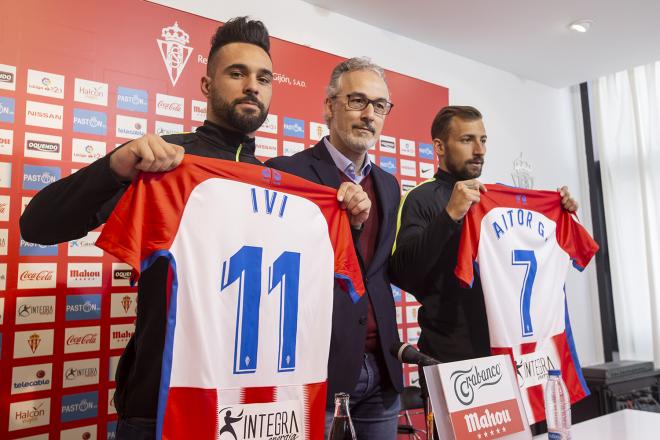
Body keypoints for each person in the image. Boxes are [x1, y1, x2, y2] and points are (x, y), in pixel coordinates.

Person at [20, 17, 369, 439]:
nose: (252, 87)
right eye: (236, 73)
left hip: (260, 410)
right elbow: (37, 224)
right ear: (206, 86)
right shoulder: (164, 163)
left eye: (263, 78)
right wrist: (115, 167)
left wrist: (347, 216)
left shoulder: (291, 192)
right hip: (161, 407)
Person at [388, 105, 579, 432]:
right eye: (467, 139)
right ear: (439, 147)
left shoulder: (493, 200)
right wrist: (449, 215)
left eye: (483, 140)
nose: (480, 150)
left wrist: (559, 213)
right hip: (450, 360)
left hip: (505, 355)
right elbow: (403, 272)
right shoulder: (420, 199)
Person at [267, 57, 403, 439]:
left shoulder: (389, 185)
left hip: (384, 369)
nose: (368, 114)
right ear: (329, 106)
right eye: (357, 101)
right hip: (318, 367)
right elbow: (281, 269)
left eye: (378, 106)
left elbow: (377, 270)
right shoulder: (287, 173)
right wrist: (348, 225)